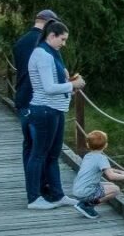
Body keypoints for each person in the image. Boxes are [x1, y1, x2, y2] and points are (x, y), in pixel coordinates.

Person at [23, 20, 86, 210]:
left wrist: (68, 86)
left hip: (55, 110)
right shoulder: (42, 55)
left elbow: (53, 84)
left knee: (52, 155)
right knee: (39, 155)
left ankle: (57, 195)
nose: (64, 43)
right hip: (44, 111)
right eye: (62, 39)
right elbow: (48, 88)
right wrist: (73, 85)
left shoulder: (52, 53)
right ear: (51, 35)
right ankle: (34, 198)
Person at [13, 9, 59, 194]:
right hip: (39, 101)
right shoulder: (43, 44)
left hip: (23, 98)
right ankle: (40, 189)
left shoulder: (20, 42)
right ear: (49, 23)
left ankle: (32, 187)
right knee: (42, 150)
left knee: (29, 146)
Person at [70, 130, 124, 220]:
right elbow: (111, 176)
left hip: (78, 189)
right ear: (106, 145)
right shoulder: (101, 158)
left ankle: (84, 203)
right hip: (85, 192)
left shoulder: (88, 155)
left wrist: (121, 172)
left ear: (88, 145)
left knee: (110, 185)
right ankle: (87, 205)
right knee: (116, 190)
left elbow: (106, 168)